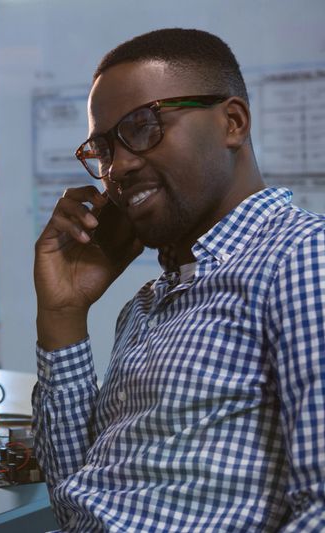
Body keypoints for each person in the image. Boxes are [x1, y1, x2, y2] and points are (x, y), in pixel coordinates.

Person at [32, 28, 325, 531]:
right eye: (103, 148)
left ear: (232, 122)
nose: (117, 167)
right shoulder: (148, 305)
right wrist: (62, 314)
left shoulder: (302, 260)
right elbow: (77, 502)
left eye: (144, 127)